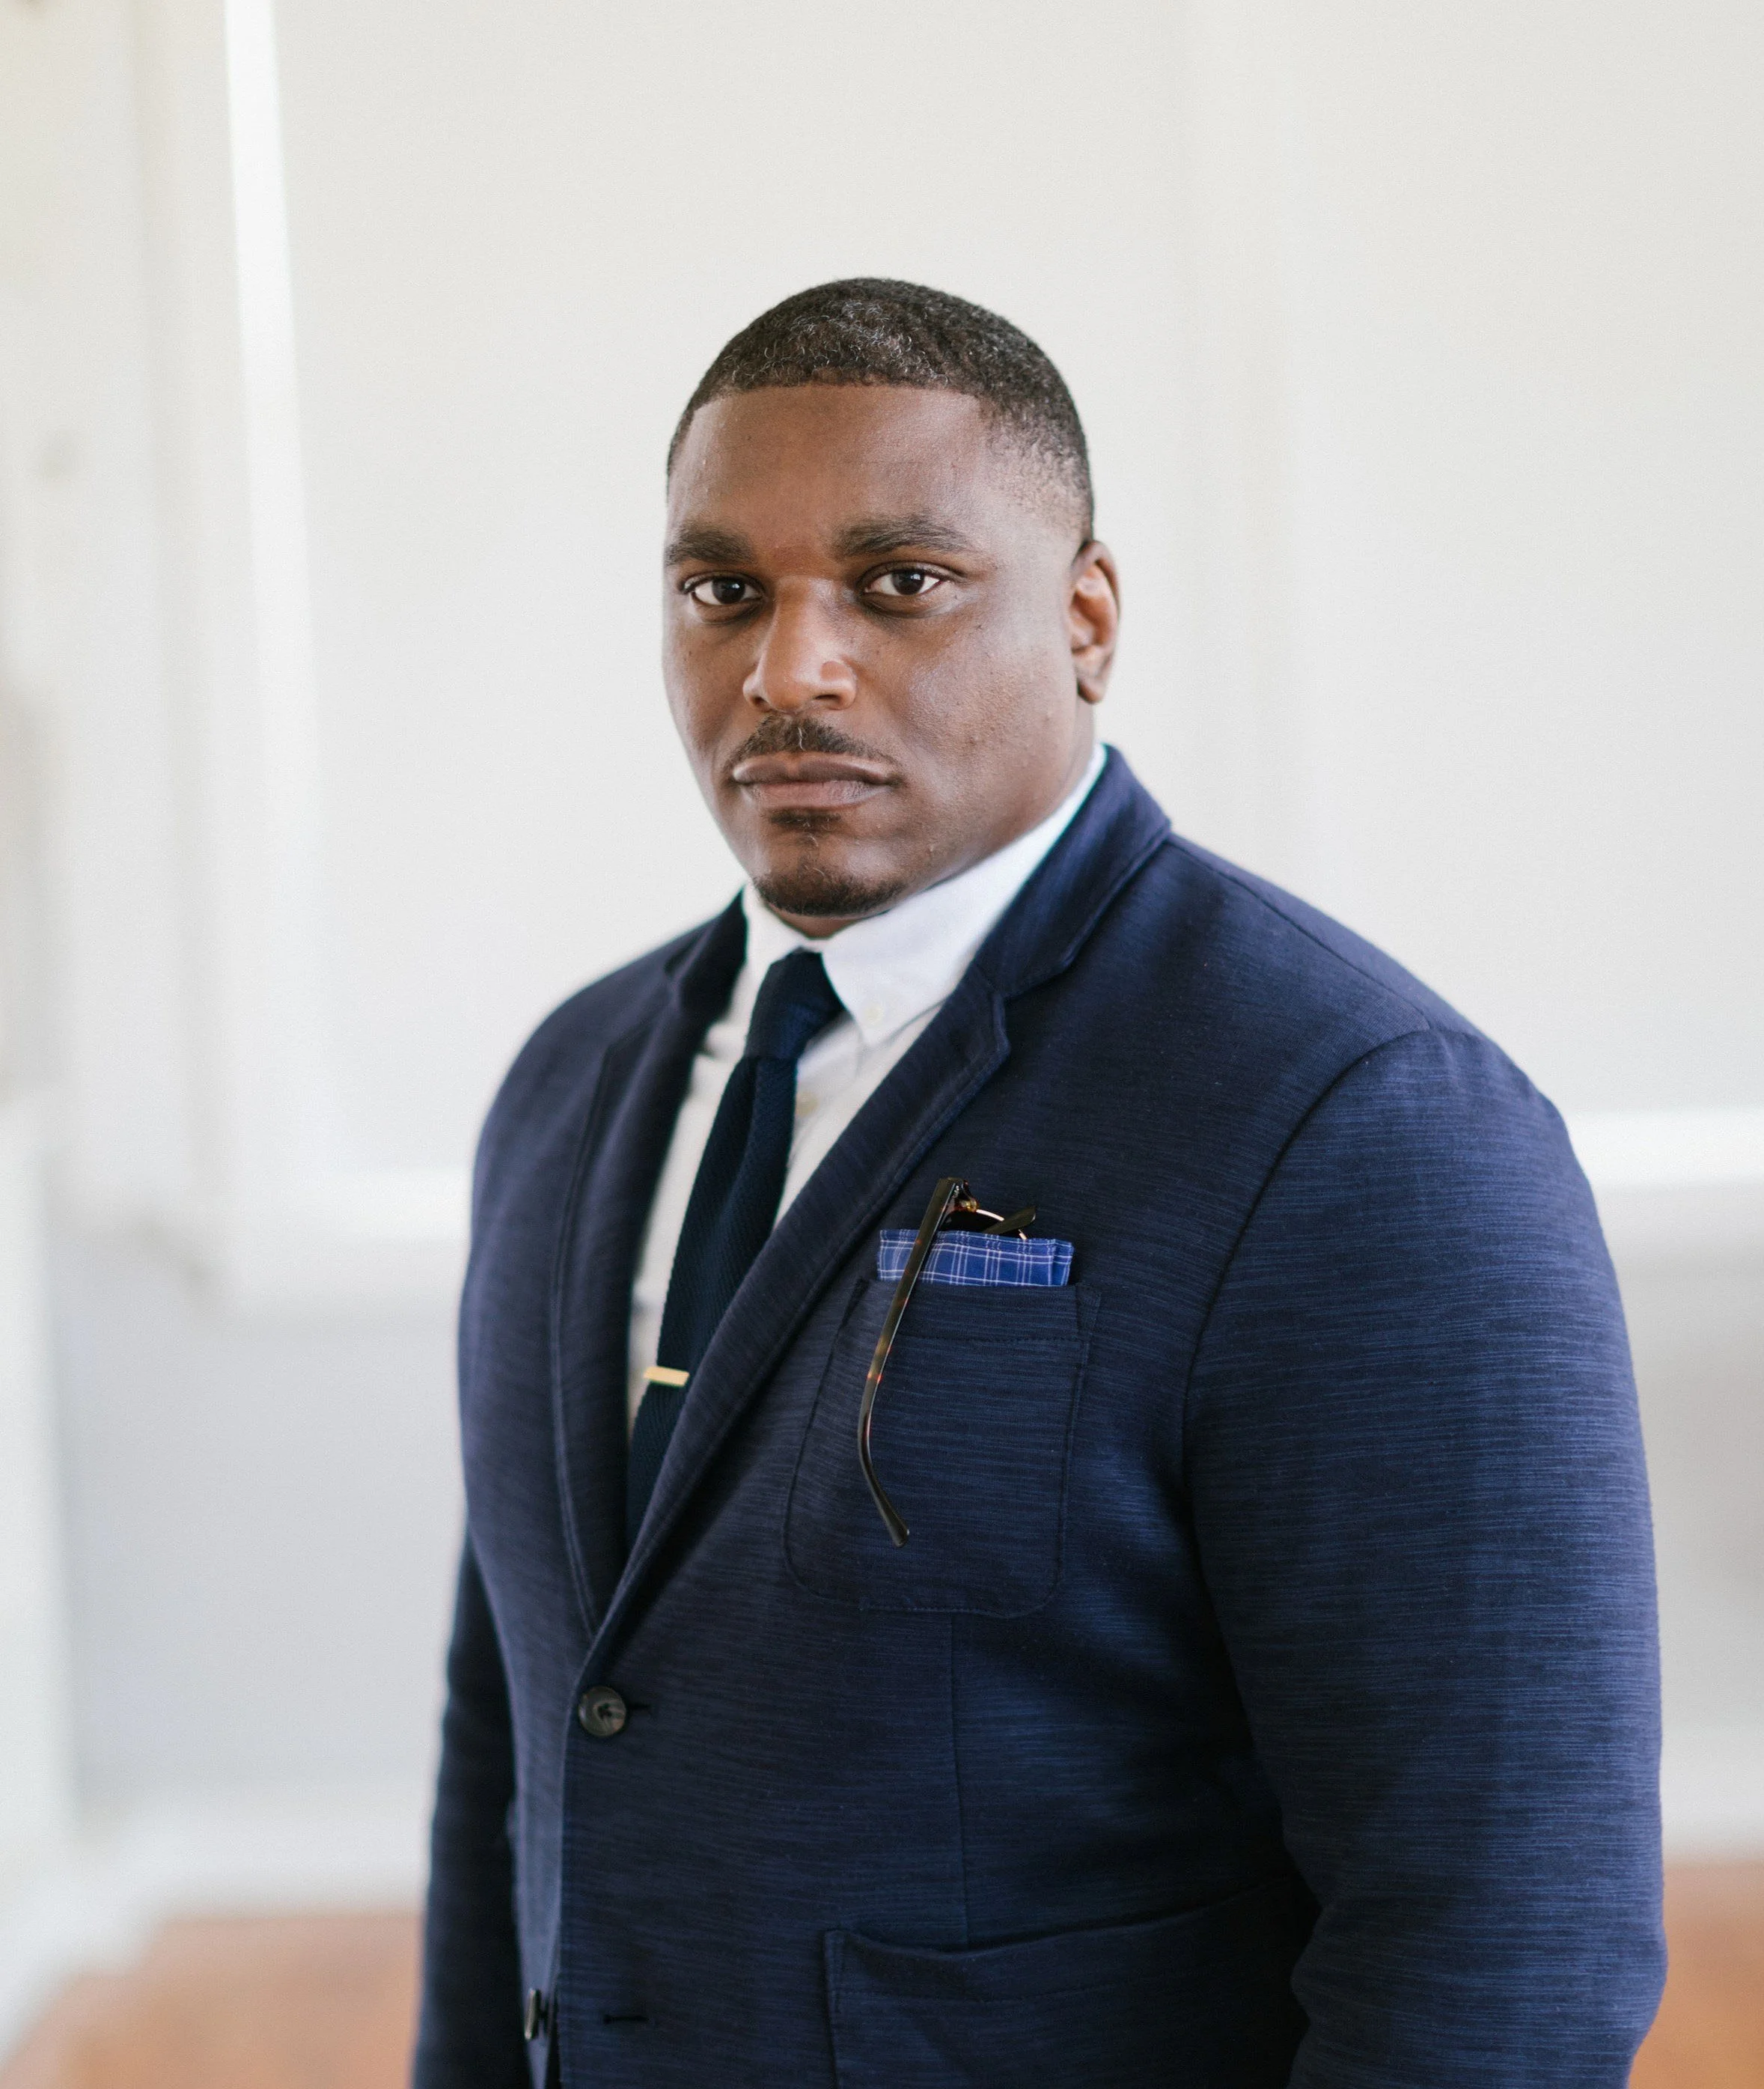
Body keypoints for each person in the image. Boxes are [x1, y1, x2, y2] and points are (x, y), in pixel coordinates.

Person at [412, 280, 1663, 2088]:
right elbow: (518, 1732)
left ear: (1085, 620)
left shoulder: (1362, 1122)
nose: (788, 668)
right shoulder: (569, 1084)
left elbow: (1496, 1933)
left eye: (898, 582)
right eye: (722, 592)